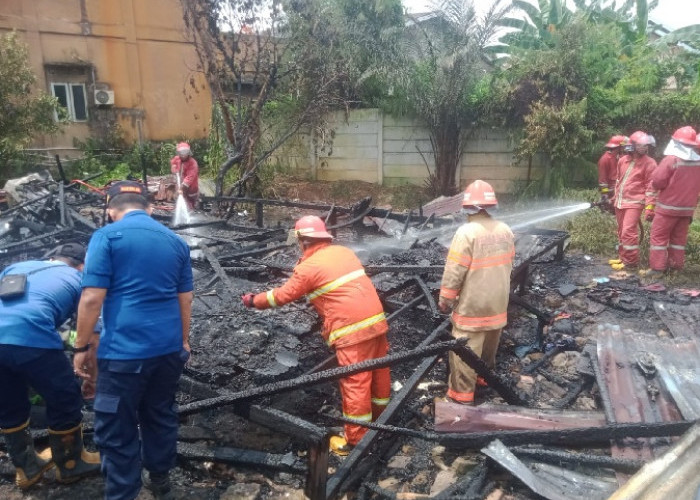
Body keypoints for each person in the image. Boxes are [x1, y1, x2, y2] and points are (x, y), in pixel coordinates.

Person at [73, 181, 194, 500]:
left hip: (124, 353)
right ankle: (161, 481)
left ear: (111, 209)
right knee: (159, 413)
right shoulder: (176, 241)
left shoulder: (106, 237)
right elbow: (186, 300)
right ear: (150, 208)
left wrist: (81, 346)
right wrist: (183, 341)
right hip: (168, 350)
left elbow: (91, 298)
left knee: (116, 423)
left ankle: (123, 493)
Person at [241, 215, 390, 456]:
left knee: (356, 382)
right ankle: (381, 421)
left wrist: (253, 300)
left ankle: (355, 441)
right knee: (379, 369)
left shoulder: (308, 268)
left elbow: (281, 296)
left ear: (302, 241)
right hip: (377, 321)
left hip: (351, 330)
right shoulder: (343, 252)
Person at [0, 243, 100, 490]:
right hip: (31, 337)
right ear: (81, 265)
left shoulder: (16, 266)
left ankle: (27, 469)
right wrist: (92, 376)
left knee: (9, 404)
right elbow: (90, 329)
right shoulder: (80, 278)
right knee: (65, 397)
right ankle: (70, 465)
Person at [438, 180, 515, 405]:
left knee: (464, 354)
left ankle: (461, 401)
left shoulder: (466, 233)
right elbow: (509, 264)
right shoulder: (505, 230)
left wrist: (445, 299)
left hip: (473, 307)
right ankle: (484, 379)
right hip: (498, 305)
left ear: (468, 208)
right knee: (489, 348)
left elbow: (454, 271)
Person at [646, 126, 700, 279]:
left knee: (659, 238)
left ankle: (657, 269)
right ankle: (675, 268)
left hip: (667, 209)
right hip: (687, 210)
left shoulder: (672, 159)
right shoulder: (698, 162)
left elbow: (657, 181)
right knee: (678, 240)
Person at [609, 131, 658, 271]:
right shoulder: (623, 160)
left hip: (635, 202)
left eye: (646, 145)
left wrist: (649, 207)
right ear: (633, 145)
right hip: (620, 201)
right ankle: (622, 257)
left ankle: (630, 262)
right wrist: (614, 196)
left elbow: (651, 187)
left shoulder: (650, 163)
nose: (645, 148)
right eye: (642, 145)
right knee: (620, 231)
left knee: (628, 231)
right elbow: (619, 180)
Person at [598, 135, 628, 205]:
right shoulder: (605, 159)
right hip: (611, 195)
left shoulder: (620, 157)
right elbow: (603, 181)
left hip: (621, 193)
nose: (624, 149)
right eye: (623, 147)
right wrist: (605, 195)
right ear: (619, 147)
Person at [170, 142, 199, 210]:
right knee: (179, 199)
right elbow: (173, 162)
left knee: (190, 201)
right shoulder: (177, 159)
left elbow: (189, 178)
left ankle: (192, 211)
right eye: (181, 153)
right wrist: (173, 167)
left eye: (185, 152)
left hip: (191, 187)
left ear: (188, 152)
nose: (183, 155)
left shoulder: (193, 163)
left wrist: (181, 188)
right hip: (180, 183)